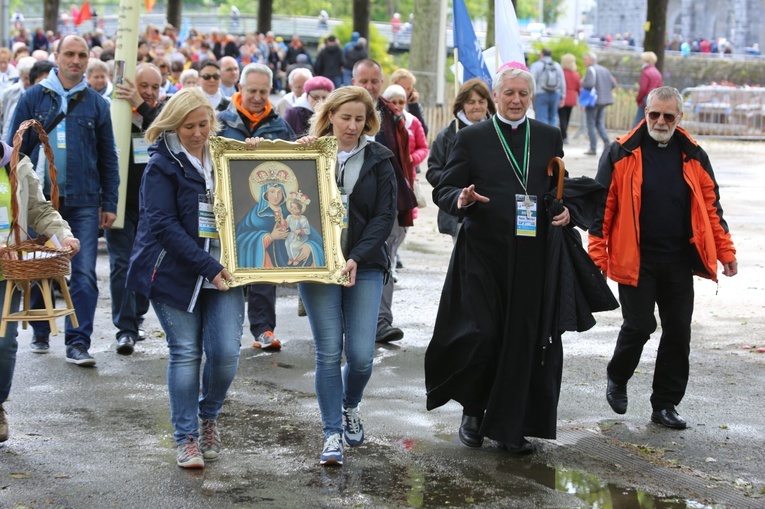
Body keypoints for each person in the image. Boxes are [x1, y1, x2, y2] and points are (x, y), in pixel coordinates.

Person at [425, 61, 570, 455]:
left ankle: (509, 425)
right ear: (496, 96)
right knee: (483, 333)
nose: (517, 100)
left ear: (531, 98)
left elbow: (559, 187)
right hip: (483, 254)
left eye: (524, 94)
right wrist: (461, 197)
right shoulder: (472, 137)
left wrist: (564, 210)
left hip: (530, 256)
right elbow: (444, 186)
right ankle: (473, 411)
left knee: (521, 340)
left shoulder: (547, 135)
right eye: (509, 93)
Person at [588, 86, 738, 430]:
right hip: (634, 259)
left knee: (678, 333)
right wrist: (597, 254)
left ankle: (666, 404)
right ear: (645, 112)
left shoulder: (694, 154)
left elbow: (712, 208)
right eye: (654, 114)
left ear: (679, 118)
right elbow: (602, 208)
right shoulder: (621, 152)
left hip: (678, 261)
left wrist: (725, 251)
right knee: (639, 326)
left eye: (668, 116)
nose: (659, 121)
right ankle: (618, 375)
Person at [126, 87, 244, 469]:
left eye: (203, 124)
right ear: (174, 125)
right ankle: (186, 437)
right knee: (186, 353)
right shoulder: (161, 162)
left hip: (226, 269)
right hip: (174, 271)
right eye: (188, 126)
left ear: (213, 120)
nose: (197, 133)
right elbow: (162, 225)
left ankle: (207, 416)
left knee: (225, 354)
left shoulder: (227, 154)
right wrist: (208, 266)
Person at [290, 86, 396, 466]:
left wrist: (356, 256)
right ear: (330, 115)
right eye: (344, 117)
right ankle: (331, 432)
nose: (351, 126)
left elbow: (385, 217)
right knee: (328, 353)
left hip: (363, 265)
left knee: (362, 356)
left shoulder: (380, 158)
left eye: (359, 119)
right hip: (316, 266)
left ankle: (350, 404)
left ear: (368, 121)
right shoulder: (307, 152)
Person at [9, 34, 119, 366]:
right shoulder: (32, 98)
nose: (75, 60)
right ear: (56, 57)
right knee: (41, 267)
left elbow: (108, 157)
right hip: (39, 202)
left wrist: (110, 202)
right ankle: (41, 332)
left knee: (83, 272)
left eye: (82, 55)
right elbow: (14, 151)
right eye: (69, 54)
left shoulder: (97, 103)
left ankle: (78, 342)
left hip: (85, 200)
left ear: (88, 59)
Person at [0, 139, 79, 442]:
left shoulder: (16, 162)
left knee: (4, 344)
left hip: (7, 272)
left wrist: (63, 235)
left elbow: (39, 209)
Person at [218, 63, 295, 351]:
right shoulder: (221, 121)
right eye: (252, 90)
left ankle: (264, 329)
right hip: (229, 208)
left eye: (263, 91)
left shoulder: (279, 124)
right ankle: (227, 331)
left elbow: (293, 161)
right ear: (240, 87)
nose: (257, 97)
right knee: (230, 268)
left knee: (265, 267)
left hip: (267, 209)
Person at [352, 59, 416, 344]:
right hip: (347, 202)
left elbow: (403, 161)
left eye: (374, 81)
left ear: (382, 82)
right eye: (363, 81)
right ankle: (347, 319)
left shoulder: (393, 115)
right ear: (353, 80)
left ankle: (381, 321)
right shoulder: (341, 110)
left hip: (387, 198)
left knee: (384, 258)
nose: (369, 86)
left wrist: (404, 198)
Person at [105, 63, 163, 355]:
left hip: (153, 207)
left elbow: (167, 130)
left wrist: (143, 106)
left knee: (147, 266)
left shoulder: (159, 112)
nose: (150, 92)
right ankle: (125, 329)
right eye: (144, 86)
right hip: (120, 203)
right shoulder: (115, 113)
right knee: (121, 264)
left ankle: (137, 315)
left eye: (155, 87)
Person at [426, 78, 495, 243]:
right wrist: (456, 184)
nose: (477, 106)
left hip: (491, 209)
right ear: (462, 104)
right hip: (460, 212)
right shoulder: (449, 134)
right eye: (471, 102)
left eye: (481, 101)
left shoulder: (497, 131)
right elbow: (433, 170)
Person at [234, 163, 325, 269]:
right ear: (265, 194)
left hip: (295, 263)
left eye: (279, 192)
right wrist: (269, 237)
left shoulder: (291, 213)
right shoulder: (255, 216)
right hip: (267, 267)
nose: (276, 196)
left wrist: (309, 247)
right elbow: (239, 240)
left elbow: (315, 237)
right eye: (272, 192)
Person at [581, 52, 616, 155]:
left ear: (592, 60)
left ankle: (593, 147)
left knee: (591, 123)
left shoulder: (590, 69)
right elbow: (613, 84)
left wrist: (581, 82)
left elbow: (590, 84)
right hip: (603, 100)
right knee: (599, 122)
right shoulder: (605, 69)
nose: (584, 61)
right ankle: (607, 142)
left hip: (593, 101)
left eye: (585, 59)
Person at [0, 56, 35, 141]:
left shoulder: (38, 93)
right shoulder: (9, 92)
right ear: (20, 76)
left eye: (30, 78)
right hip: (10, 137)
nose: (28, 82)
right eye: (25, 78)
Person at [529, 48, 566, 127]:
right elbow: (562, 81)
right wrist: (562, 96)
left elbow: (531, 80)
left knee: (541, 118)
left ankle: (543, 138)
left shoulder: (536, 65)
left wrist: (530, 94)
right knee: (553, 118)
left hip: (540, 94)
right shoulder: (557, 65)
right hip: (555, 94)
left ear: (542, 54)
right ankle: (553, 138)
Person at [390, 68, 428, 136]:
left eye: (408, 89)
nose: (405, 92)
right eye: (402, 88)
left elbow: (423, 132)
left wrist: (413, 106)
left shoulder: (415, 106)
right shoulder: (386, 104)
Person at [634, 51, 663, 127]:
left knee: (638, 123)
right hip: (655, 99)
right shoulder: (657, 72)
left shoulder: (646, 72)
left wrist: (638, 99)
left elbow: (643, 89)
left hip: (646, 99)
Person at [558, 53, 580, 144]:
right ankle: (564, 135)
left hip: (563, 97)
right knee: (567, 118)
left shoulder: (561, 73)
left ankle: (564, 136)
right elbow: (578, 87)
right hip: (572, 98)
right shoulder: (576, 74)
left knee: (562, 118)